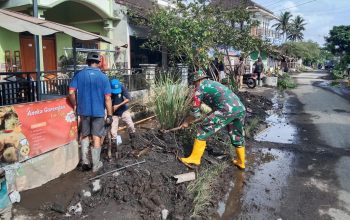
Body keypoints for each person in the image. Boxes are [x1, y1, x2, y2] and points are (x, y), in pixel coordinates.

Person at [180, 70, 247, 170]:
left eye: (194, 83)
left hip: (226, 110)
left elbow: (195, 114)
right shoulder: (214, 83)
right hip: (240, 109)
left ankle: (195, 158)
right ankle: (241, 162)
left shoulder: (199, 89)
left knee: (203, 129)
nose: (194, 86)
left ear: (196, 81)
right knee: (237, 135)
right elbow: (221, 99)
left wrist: (186, 122)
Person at [69, 52, 113, 172]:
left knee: (84, 135)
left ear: (87, 62)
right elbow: (108, 98)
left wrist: (75, 104)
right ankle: (96, 164)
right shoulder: (104, 77)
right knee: (96, 136)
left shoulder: (79, 75)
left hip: (83, 111)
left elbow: (71, 92)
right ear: (99, 63)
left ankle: (85, 161)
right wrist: (109, 114)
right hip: (98, 112)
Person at [110, 79, 136, 146]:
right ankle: (114, 146)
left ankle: (133, 141)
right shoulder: (107, 89)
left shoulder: (121, 87)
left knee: (131, 125)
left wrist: (118, 105)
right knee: (113, 131)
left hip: (123, 109)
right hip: (113, 113)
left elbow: (128, 98)